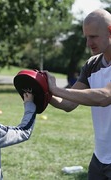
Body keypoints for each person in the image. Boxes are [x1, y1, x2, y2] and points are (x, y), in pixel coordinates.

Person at [45, 9, 111, 180]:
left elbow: (105, 97)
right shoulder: (92, 64)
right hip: (99, 158)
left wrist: (57, 89)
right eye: (86, 37)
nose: (88, 43)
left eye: (93, 37)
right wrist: (43, 92)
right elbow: (68, 103)